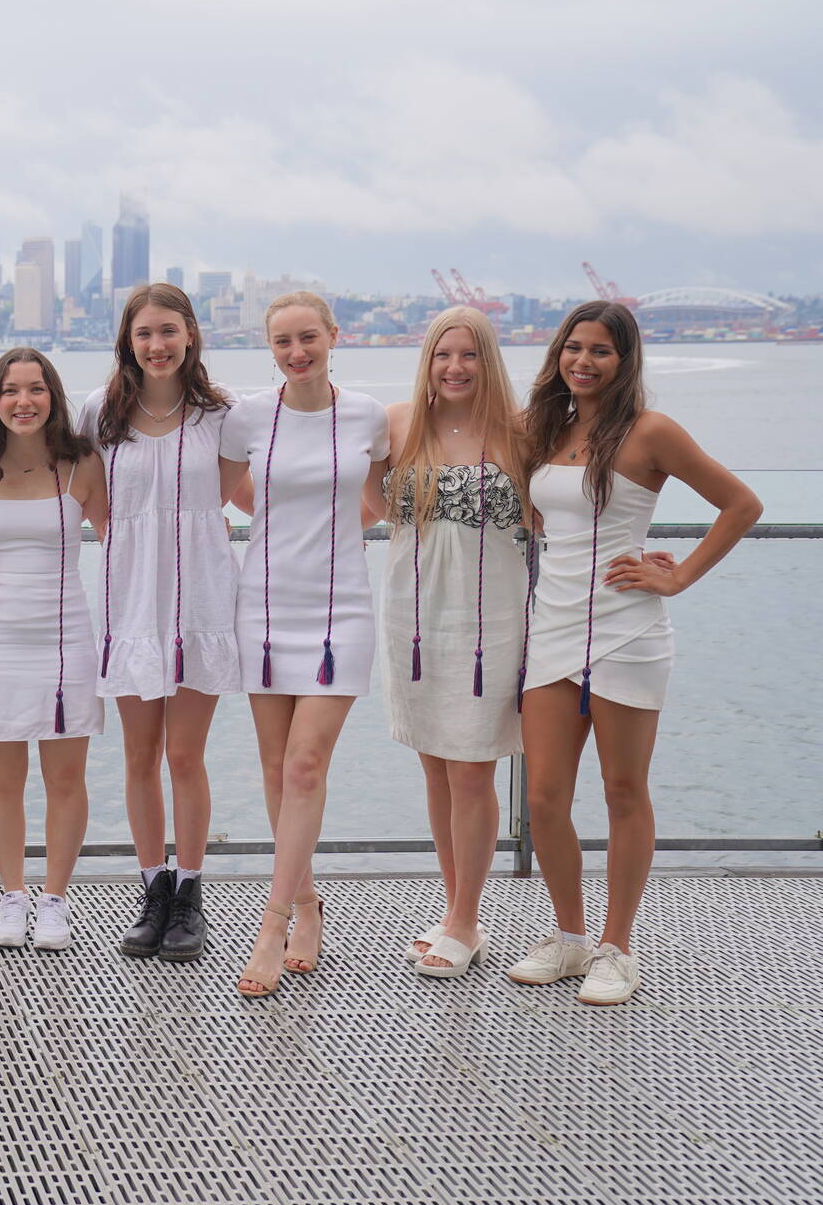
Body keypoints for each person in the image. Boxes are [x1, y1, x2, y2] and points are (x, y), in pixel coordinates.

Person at [511, 301, 759, 1005]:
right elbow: (546, 520)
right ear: (559, 353)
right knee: (544, 797)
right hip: (552, 628)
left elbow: (741, 503)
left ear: (625, 361)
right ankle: (569, 938)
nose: (584, 361)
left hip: (628, 629)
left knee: (624, 791)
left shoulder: (652, 431)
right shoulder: (545, 428)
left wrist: (677, 576)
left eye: (601, 351)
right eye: (575, 348)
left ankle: (617, 949)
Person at [217, 292, 390, 997]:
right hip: (261, 607)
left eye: (308, 338)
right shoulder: (249, 416)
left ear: (333, 336)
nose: (297, 352)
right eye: (283, 341)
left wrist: (329, 527)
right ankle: (311, 904)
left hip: (339, 609)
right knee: (275, 766)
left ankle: (273, 920)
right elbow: (226, 493)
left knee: (306, 764)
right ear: (270, 348)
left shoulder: (369, 415)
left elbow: (379, 500)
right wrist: (286, 522)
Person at [80, 283, 241, 965]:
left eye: (169, 330)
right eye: (145, 333)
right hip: (129, 601)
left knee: (185, 755)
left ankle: (192, 894)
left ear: (191, 334)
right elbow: (93, 500)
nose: (157, 344)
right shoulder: (99, 412)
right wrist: (131, 547)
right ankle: (152, 889)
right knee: (139, 755)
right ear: (128, 340)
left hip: (201, 598)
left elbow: (236, 494)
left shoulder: (221, 414)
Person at [377, 309, 529, 980]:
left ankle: (467, 919)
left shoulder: (522, 432)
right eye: (444, 354)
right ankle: (452, 909)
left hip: (491, 619)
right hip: (412, 617)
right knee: (436, 767)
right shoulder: (397, 423)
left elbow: (571, 502)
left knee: (473, 768)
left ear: (487, 359)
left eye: (469, 354)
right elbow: (354, 499)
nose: (456, 367)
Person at [0, 349, 106, 950]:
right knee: (2, 778)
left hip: (66, 633)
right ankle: (12, 894)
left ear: (53, 397)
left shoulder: (80, 464)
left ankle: (54, 899)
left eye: (36, 390)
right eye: (11, 391)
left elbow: (125, 530)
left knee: (65, 777)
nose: (24, 402)